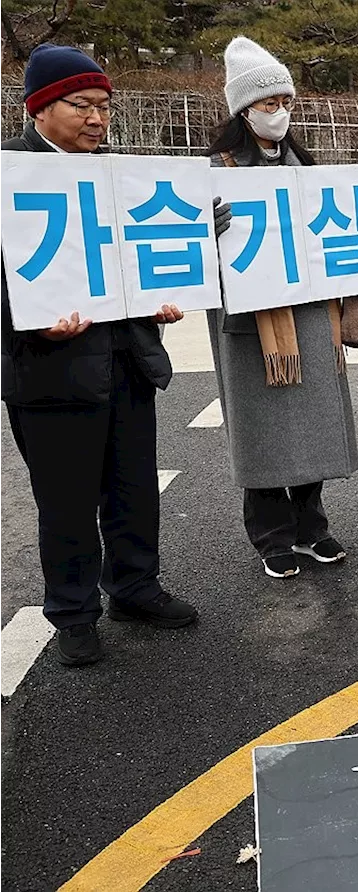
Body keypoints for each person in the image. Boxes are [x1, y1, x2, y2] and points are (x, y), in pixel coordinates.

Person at [0, 44, 197, 667]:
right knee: (65, 501)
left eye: (104, 107)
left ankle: (134, 589)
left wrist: (166, 296)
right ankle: (74, 613)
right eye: (79, 105)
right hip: (48, 372)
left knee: (133, 488)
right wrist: (32, 325)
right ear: (38, 109)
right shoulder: (8, 176)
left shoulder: (120, 176)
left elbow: (145, 260)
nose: (95, 119)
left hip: (127, 361)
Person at [207, 36, 358, 578]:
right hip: (250, 319)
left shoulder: (307, 161)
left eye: (285, 102)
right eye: (268, 104)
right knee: (264, 431)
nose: (279, 114)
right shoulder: (216, 168)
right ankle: (272, 536)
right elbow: (184, 245)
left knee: (313, 423)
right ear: (243, 110)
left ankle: (311, 526)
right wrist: (208, 229)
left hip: (312, 312)